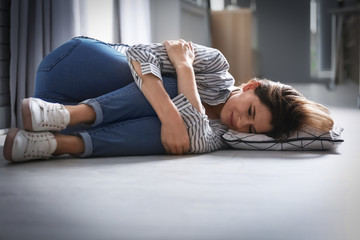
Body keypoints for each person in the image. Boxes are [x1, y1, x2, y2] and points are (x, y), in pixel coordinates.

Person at [3, 37, 334, 162]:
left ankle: (52, 145)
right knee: (173, 103)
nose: (241, 122)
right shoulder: (217, 65)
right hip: (76, 67)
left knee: (181, 138)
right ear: (252, 86)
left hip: (48, 106)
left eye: (251, 128)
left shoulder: (223, 135)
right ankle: (67, 116)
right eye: (250, 111)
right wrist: (178, 94)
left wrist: (185, 70)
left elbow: (192, 139)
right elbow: (140, 53)